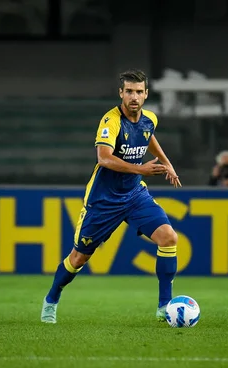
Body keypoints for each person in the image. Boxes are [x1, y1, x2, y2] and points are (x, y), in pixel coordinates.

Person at [41, 69, 182, 324]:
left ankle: (164, 307)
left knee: (168, 237)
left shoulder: (150, 118)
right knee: (78, 258)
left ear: (146, 94)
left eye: (139, 92)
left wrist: (166, 163)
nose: (134, 97)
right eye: (129, 91)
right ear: (121, 93)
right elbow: (104, 158)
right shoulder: (111, 121)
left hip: (135, 195)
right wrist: (142, 169)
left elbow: (148, 136)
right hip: (104, 200)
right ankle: (52, 298)